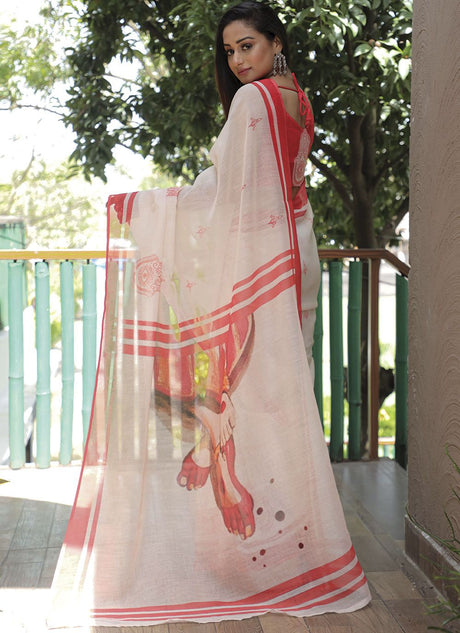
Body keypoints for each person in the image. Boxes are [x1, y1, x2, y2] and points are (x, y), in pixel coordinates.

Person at [49, 1, 371, 628]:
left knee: (251, 399)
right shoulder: (297, 98)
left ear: (275, 41)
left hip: (261, 262)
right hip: (294, 255)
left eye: (248, 45)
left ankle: (260, 560)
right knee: (281, 400)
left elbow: (222, 195)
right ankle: (294, 551)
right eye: (230, 51)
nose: (239, 60)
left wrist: (146, 206)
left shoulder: (254, 101)